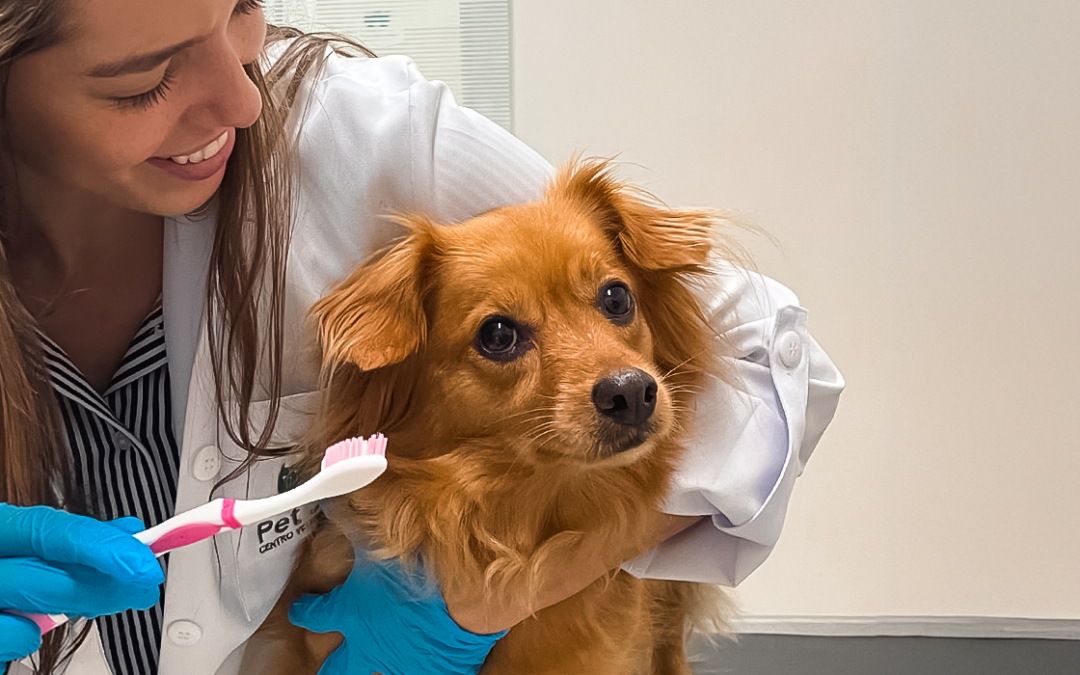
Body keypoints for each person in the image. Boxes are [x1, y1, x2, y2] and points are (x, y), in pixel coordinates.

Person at [0, 1, 844, 674]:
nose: (244, 100)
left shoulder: (349, 132)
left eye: (241, 10)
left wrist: (486, 601)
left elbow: (764, 355)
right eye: (144, 81)